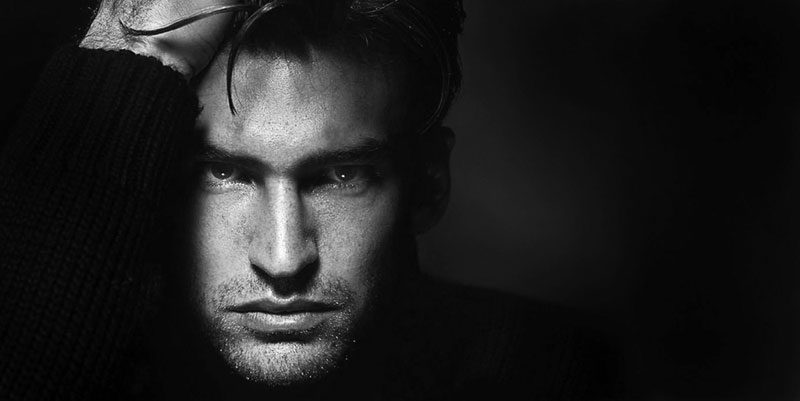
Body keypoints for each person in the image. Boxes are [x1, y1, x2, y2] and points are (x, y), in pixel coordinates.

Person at [0, 0, 622, 399]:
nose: (283, 259)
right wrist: (140, 46)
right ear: (157, 177)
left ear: (429, 184)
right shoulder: (64, 363)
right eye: (225, 173)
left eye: (340, 176)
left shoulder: (553, 373)